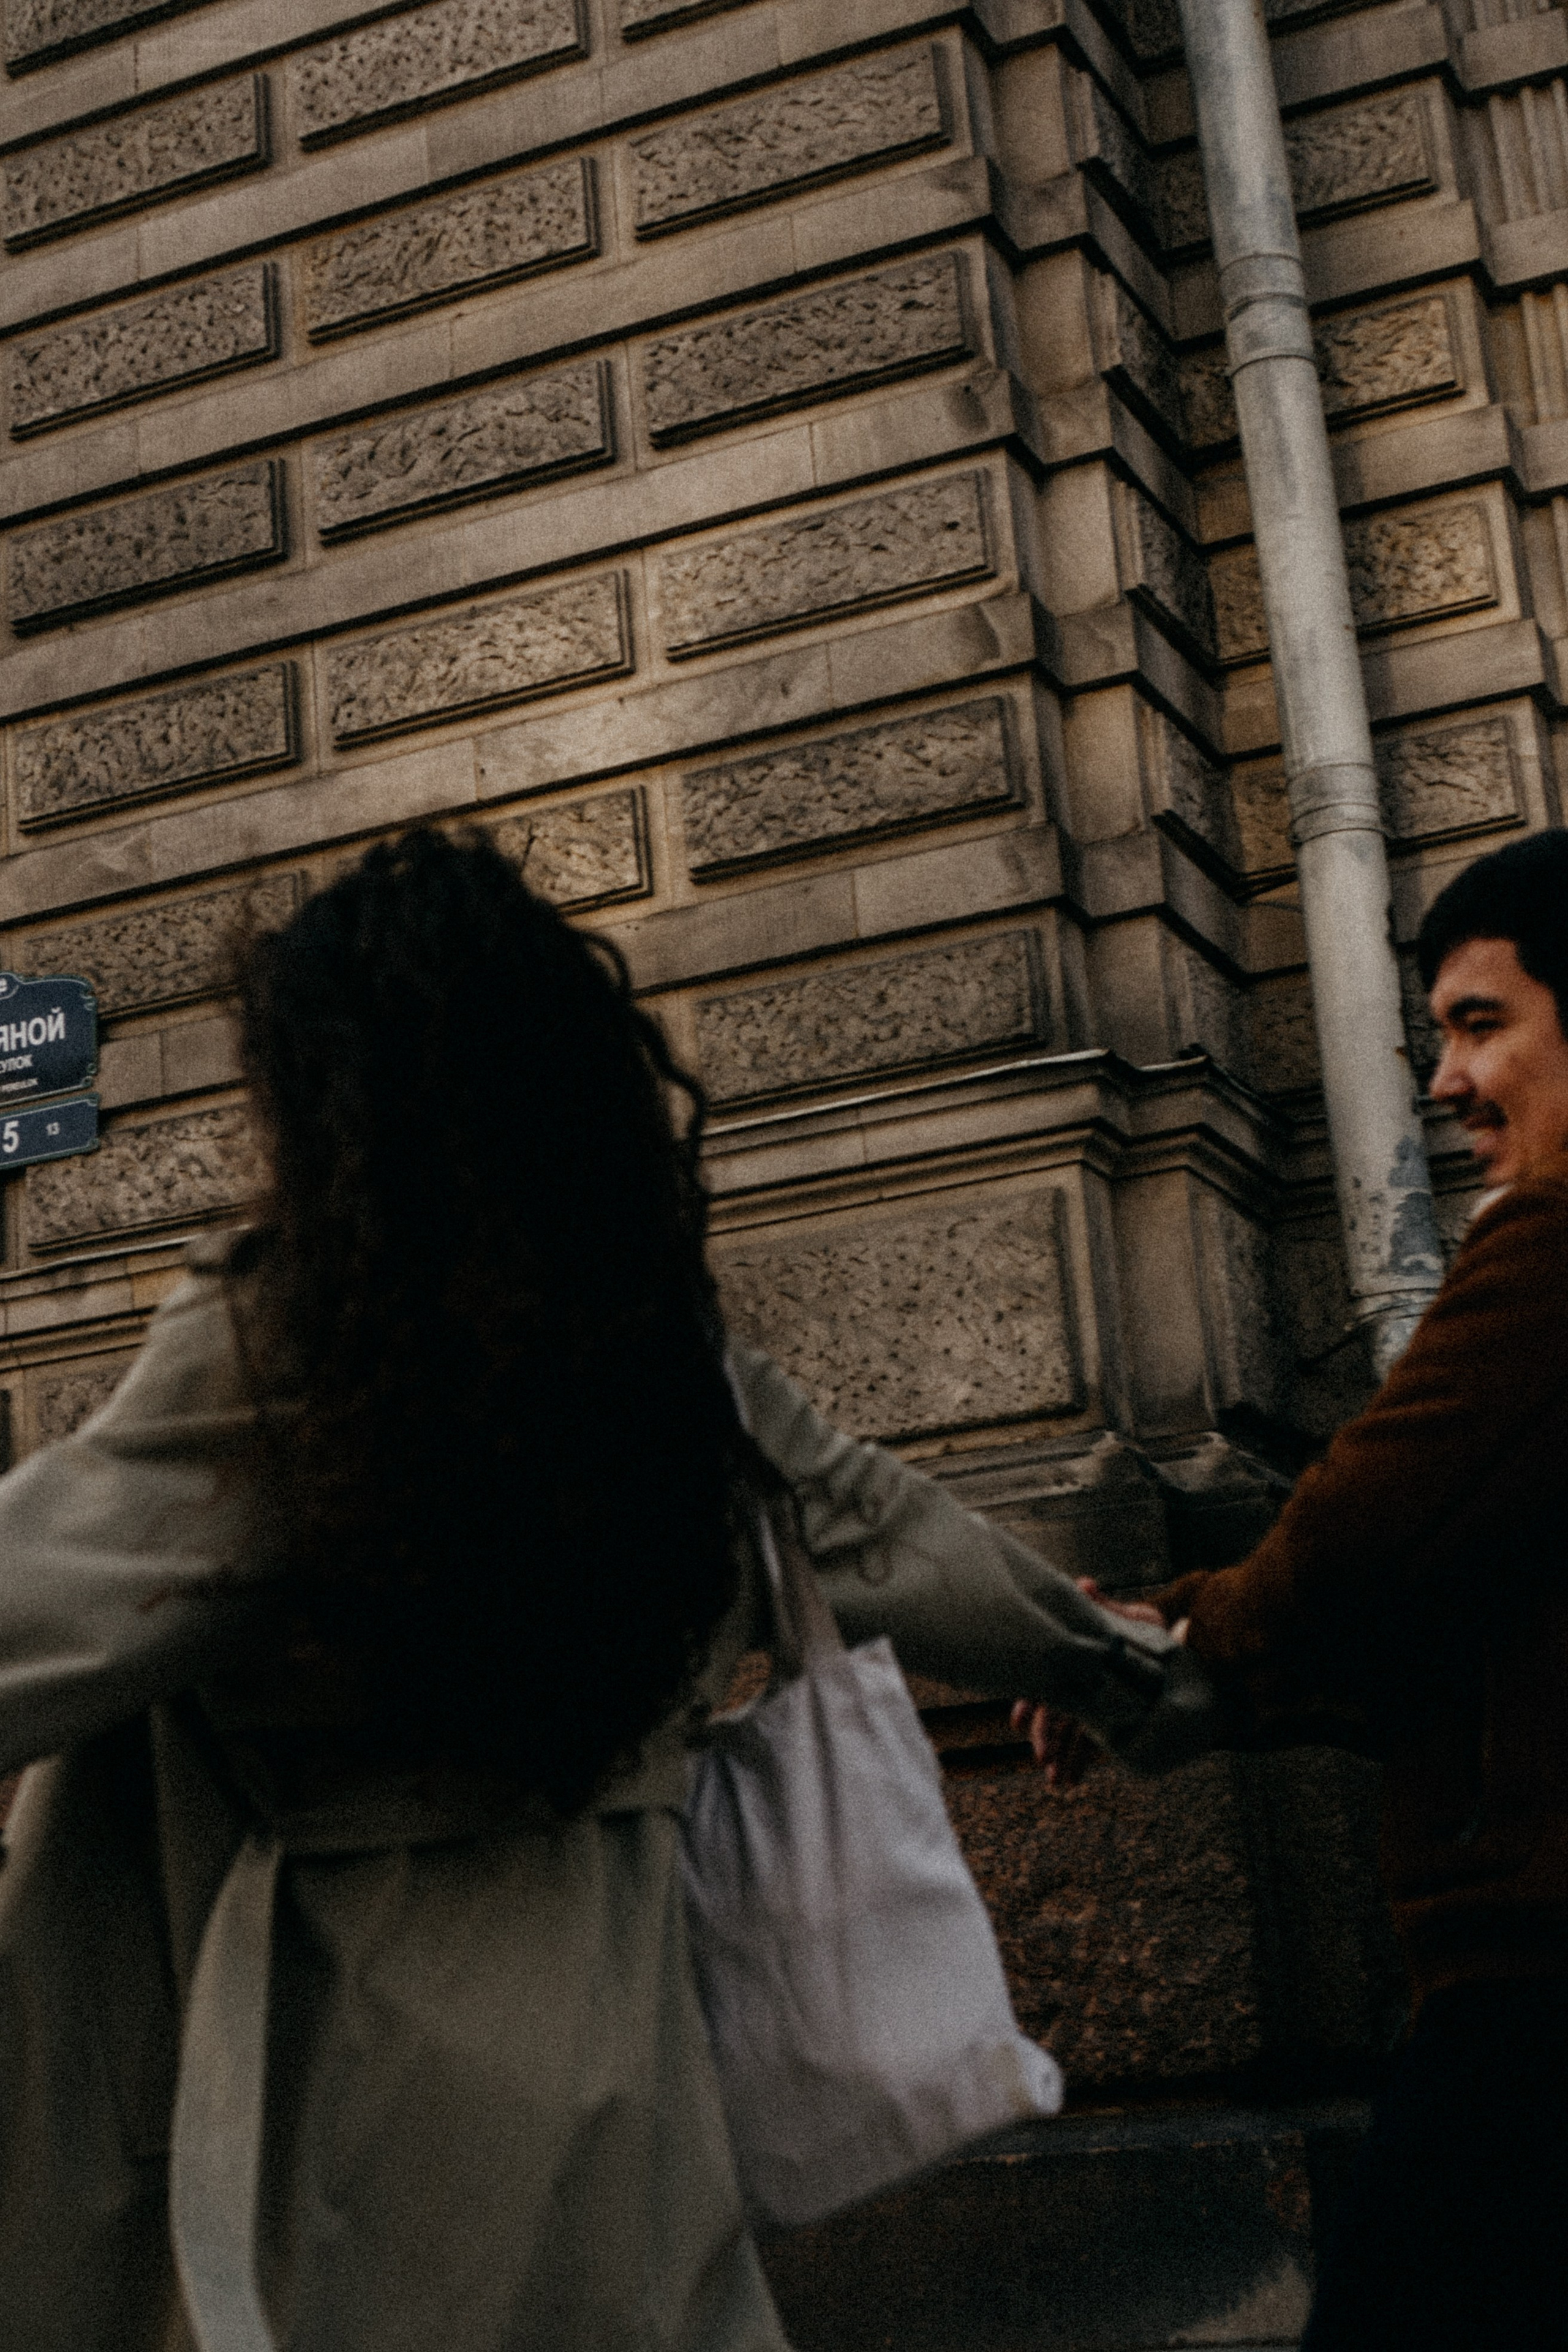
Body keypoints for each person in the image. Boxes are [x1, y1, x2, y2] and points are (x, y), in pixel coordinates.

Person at [0, 828, 1219, 2352]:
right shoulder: (664, 1365)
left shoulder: (281, 1360)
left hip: (354, 2114)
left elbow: (32, 1604)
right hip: (630, 2096)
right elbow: (898, 1533)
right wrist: (1137, 1675)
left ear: (320, 1105)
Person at [1018, 826, 1568, 2350]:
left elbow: (1359, 1540)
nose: (1444, 1084)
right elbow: (1432, 1642)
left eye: (1480, 1023)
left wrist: (1156, 1632)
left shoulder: (1554, 1254)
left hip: (1532, 2002)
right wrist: (1197, 1682)